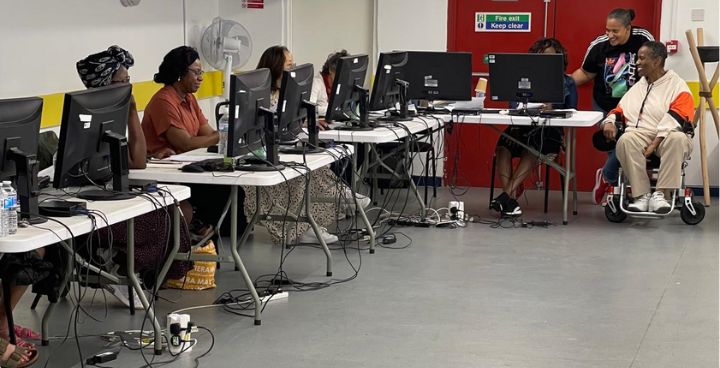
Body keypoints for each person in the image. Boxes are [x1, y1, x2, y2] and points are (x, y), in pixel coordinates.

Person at [77, 46, 194, 305]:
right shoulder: (84, 118)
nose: (127, 87)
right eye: (121, 82)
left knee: (177, 211)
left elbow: (137, 161)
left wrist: (131, 112)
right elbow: (135, 163)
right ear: (103, 85)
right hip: (92, 205)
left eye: (128, 81)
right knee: (162, 221)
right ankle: (122, 273)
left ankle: (135, 272)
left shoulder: (113, 115)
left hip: (112, 195)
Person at [141, 46, 238, 236]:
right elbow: (184, 143)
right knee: (218, 193)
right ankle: (204, 240)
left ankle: (213, 241)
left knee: (230, 188)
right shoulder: (164, 101)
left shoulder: (189, 98)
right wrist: (224, 133)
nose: (201, 77)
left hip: (186, 168)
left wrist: (220, 134)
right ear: (179, 73)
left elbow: (207, 133)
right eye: (196, 72)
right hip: (165, 173)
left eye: (201, 72)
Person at [570, 8, 654, 205]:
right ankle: (616, 188)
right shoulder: (599, 46)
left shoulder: (643, 39)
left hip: (634, 107)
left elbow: (655, 66)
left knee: (627, 143)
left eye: (615, 31)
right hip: (604, 105)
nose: (610, 35)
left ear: (628, 28)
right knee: (614, 146)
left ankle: (607, 179)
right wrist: (562, 83)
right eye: (608, 30)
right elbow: (586, 73)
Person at [601, 41, 694, 213]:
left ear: (657, 61)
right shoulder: (640, 85)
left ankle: (661, 195)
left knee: (678, 138)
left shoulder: (678, 86)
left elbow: (677, 118)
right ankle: (641, 196)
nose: (637, 62)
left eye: (642, 58)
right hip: (641, 135)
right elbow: (620, 109)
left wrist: (654, 144)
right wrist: (609, 121)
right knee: (626, 139)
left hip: (668, 137)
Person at [490, 38, 578, 216]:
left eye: (549, 57)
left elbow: (573, 111)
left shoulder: (567, 82)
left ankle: (506, 195)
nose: (544, 61)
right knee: (503, 146)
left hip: (549, 134)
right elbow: (512, 106)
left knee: (533, 148)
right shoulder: (521, 79)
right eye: (540, 57)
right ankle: (510, 198)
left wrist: (552, 108)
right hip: (521, 129)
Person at [310, 49, 349, 117]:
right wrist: (334, 110)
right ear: (331, 70)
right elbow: (310, 108)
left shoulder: (342, 85)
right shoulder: (316, 83)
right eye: (340, 73)